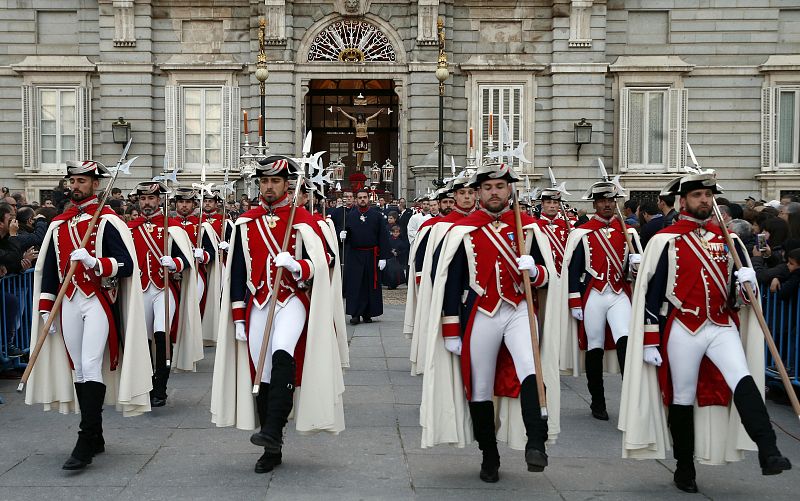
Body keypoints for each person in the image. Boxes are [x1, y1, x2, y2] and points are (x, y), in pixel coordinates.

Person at [619, 171, 791, 493]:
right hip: (684, 326)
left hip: (721, 325)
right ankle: (685, 467)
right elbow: (651, 295)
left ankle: (769, 451)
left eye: (708, 196)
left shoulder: (728, 239)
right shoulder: (665, 240)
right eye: (697, 195)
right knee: (682, 398)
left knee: (743, 380)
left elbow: (737, 297)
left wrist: (746, 283)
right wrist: (650, 339)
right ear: (683, 201)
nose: (704, 201)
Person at [419, 162, 560, 482]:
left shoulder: (529, 228)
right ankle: (489, 454)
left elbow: (548, 275)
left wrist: (535, 271)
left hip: (519, 309)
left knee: (530, 370)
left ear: (510, 190)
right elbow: (448, 280)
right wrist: (451, 326)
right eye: (487, 187)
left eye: (500, 187)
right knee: (479, 386)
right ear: (479, 192)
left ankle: (536, 442)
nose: (494, 192)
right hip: (481, 311)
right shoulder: (462, 232)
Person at [211, 155, 345, 475]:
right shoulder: (246, 222)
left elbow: (325, 260)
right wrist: (239, 317)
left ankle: (272, 429)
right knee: (262, 372)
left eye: (275, 181)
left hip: (291, 298)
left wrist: (299, 266)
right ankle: (273, 445)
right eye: (264, 182)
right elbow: (237, 272)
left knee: (283, 353)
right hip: (258, 301)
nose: (269, 187)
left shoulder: (304, 220)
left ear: (287, 184)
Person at [27, 160, 151, 470]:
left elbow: (126, 265)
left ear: (95, 185)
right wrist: (46, 307)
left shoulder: (107, 221)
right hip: (68, 301)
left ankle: (85, 439)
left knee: (91, 363)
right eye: (74, 181)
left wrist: (96, 262)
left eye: (83, 181)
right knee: (78, 367)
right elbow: (51, 272)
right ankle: (95, 433)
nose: (76, 186)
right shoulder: (60, 224)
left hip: (96, 299)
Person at [561, 180, 641, 421]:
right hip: (594, 293)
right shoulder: (581, 233)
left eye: (611, 201)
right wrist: (574, 300)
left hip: (617, 292)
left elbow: (636, 268)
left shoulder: (628, 232)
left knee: (626, 340)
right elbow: (574, 269)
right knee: (594, 347)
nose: (608, 205)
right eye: (603, 201)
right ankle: (598, 401)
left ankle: (632, 400)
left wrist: (636, 267)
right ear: (595, 204)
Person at [128, 182, 202, 408]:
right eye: (142, 199)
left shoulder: (173, 227)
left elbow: (187, 258)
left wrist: (175, 262)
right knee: (144, 339)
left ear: (159, 200)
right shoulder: (131, 228)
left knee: (162, 336)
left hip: (164, 288)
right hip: (140, 289)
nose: (146, 203)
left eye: (151, 199)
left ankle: (161, 386)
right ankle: (146, 382)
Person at [406, 176, 475, 374]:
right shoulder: (436, 227)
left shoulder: (482, 222)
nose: (467, 197)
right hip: (448, 288)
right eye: (461, 193)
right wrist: (422, 280)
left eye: (470, 193)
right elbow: (427, 258)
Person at [172, 187, 221, 346]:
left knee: (192, 309)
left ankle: (190, 344)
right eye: (181, 202)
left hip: (195, 273)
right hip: (172, 273)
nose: (184, 206)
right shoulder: (170, 224)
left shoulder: (202, 225)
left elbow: (212, 253)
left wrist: (203, 255)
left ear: (194, 205)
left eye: (187, 202)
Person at [341, 189, 390, 324]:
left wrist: (383, 257)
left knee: (370, 284)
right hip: (355, 254)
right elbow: (348, 233)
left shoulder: (377, 215)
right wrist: (343, 236)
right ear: (356, 200)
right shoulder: (350, 215)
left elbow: (383, 236)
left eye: (364, 197)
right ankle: (355, 314)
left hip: (372, 254)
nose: (362, 199)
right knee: (355, 284)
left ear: (369, 199)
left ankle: (368, 313)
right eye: (360, 197)